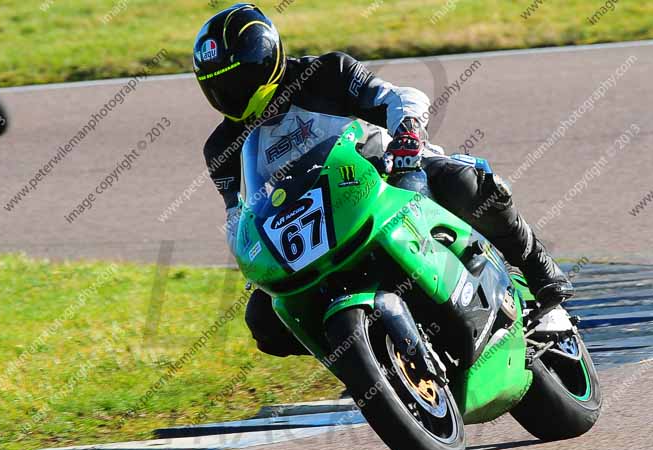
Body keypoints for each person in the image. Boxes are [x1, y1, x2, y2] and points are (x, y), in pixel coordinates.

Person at [194, 4, 573, 357]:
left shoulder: (325, 74)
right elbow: (236, 216)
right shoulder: (222, 148)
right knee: (265, 322)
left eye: (238, 79)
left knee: (465, 183)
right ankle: (363, 356)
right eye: (217, 86)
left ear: (267, 61)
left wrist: (407, 135)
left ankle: (545, 284)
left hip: (386, 176)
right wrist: (251, 256)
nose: (229, 94)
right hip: (312, 226)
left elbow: (399, 97)